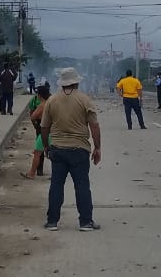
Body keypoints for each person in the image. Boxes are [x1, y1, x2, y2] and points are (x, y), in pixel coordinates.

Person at [41, 68, 102, 231]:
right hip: (79, 149)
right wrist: (97, 147)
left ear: (61, 83)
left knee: (56, 185)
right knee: (82, 185)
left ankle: (52, 221)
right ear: (76, 82)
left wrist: (46, 146)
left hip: (58, 149)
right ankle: (86, 222)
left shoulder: (52, 100)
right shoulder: (84, 99)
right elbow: (94, 125)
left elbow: (44, 127)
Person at [21, 84, 52, 179]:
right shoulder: (52, 103)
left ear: (39, 95)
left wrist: (38, 119)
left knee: (37, 153)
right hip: (55, 131)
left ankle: (31, 173)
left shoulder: (42, 105)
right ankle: (56, 174)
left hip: (45, 132)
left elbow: (33, 116)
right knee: (54, 154)